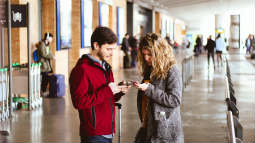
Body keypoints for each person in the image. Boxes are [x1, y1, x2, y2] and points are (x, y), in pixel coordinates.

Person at [69, 26, 130, 143]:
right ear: (96, 46)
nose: (111, 53)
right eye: (108, 49)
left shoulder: (106, 67)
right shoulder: (81, 70)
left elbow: (107, 97)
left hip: (108, 130)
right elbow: (79, 102)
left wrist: (118, 91)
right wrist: (108, 91)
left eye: (113, 49)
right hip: (94, 134)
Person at [133, 33, 184, 143]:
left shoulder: (172, 71)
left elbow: (175, 99)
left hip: (166, 133)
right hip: (150, 127)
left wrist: (149, 89)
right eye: (144, 54)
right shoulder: (151, 69)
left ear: (159, 53)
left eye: (150, 54)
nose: (146, 58)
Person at [37, 32, 54, 96]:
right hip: (43, 63)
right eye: (51, 38)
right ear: (47, 38)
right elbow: (43, 54)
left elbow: (49, 52)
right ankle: (43, 91)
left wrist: (52, 56)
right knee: (45, 77)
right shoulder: (42, 44)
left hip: (46, 63)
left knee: (46, 77)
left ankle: (44, 91)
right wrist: (52, 56)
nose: (51, 39)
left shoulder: (47, 45)